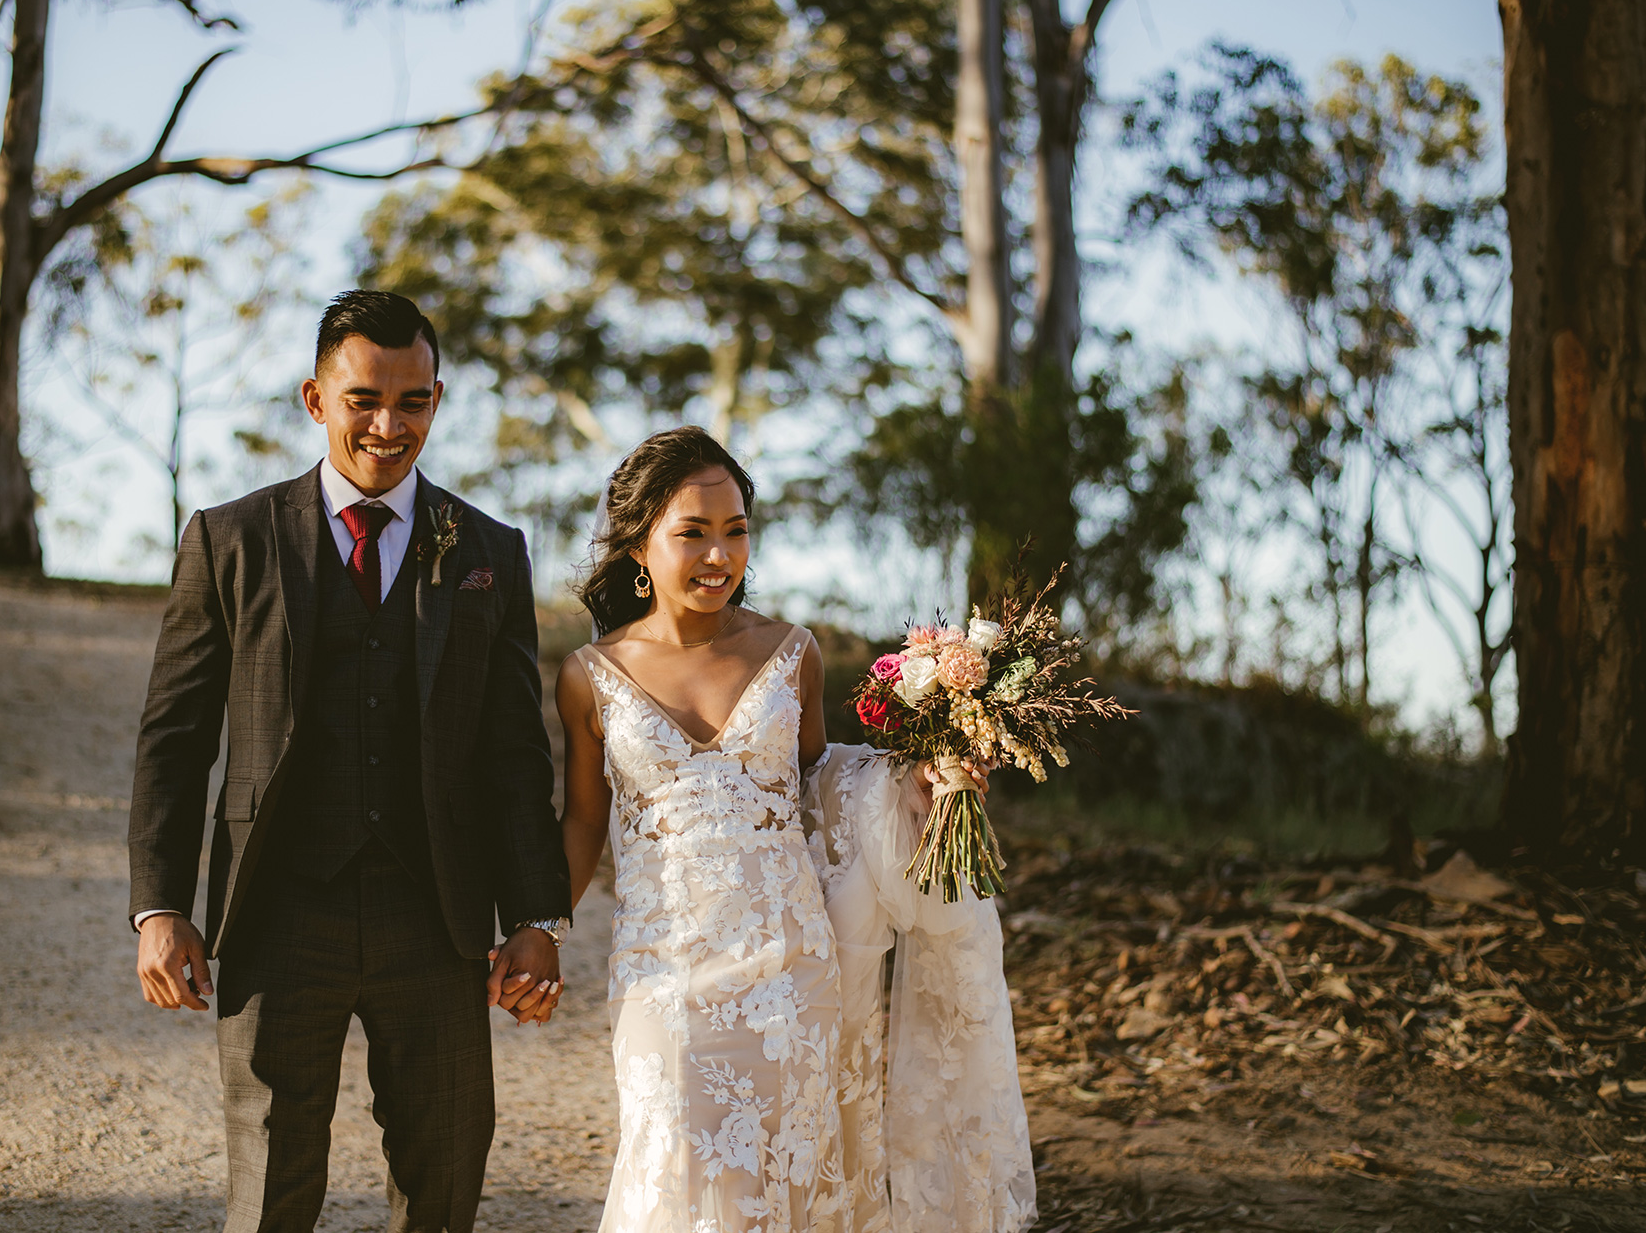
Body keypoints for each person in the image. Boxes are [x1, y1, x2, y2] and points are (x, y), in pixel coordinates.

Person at [126, 290, 571, 1233]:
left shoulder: (491, 550)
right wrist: (160, 906)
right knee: (272, 1185)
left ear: (437, 402)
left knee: (445, 1176)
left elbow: (514, 755)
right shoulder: (230, 537)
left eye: (412, 401)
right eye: (364, 397)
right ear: (315, 398)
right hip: (279, 909)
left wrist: (535, 914)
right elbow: (174, 734)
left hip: (437, 915)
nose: (388, 423)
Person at [556, 427, 1036, 1233]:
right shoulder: (588, 675)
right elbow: (580, 823)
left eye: (736, 530)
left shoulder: (792, 653)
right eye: (694, 532)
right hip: (662, 975)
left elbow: (820, 787)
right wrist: (538, 929)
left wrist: (914, 778)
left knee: (780, 1193)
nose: (719, 554)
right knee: (676, 1175)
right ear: (639, 543)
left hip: (791, 970)